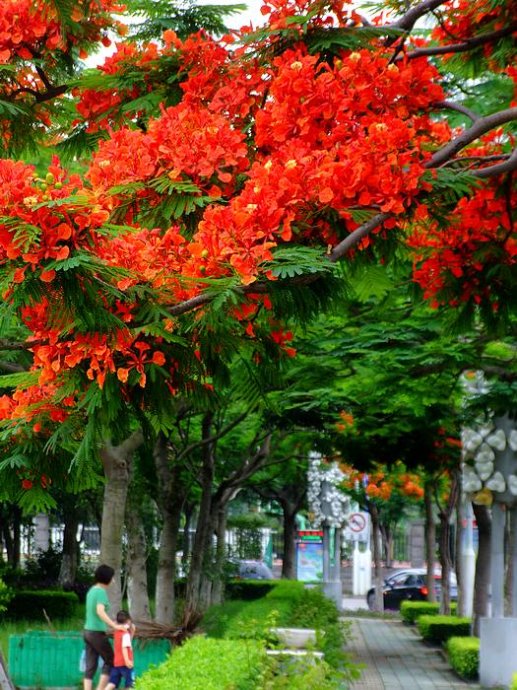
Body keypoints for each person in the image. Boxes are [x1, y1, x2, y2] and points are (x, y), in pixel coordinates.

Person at [83, 564, 126, 690]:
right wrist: (114, 626)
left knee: (90, 665)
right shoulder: (101, 592)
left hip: (87, 632)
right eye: (112, 578)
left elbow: (94, 613)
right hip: (96, 633)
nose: (113, 580)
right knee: (111, 660)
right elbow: (99, 611)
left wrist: (112, 623)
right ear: (106, 578)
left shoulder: (92, 590)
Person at [105, 610, 135, 689]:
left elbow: (127, 643)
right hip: (125, 664)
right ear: (128, 621)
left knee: (112, 683)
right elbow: (124, 647)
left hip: (117, 663)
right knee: (130, 684)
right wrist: (127, 660)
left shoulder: (117, 632)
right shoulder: (125, 634)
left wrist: (132, 633)